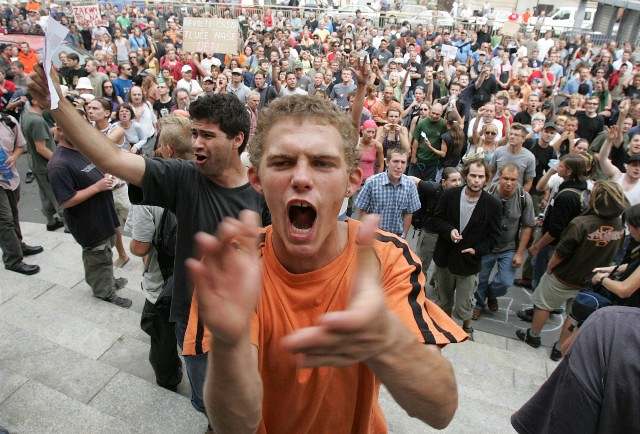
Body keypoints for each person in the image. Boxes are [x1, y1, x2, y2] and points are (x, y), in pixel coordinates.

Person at [187, 92, 468, 434]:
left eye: (322, 163)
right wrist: (230, 342)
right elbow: (235, 425)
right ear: (256, 179)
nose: (301, 178)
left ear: (352, 181)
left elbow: (440, 411)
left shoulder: (385, 259)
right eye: (282, 162)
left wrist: (385, 338)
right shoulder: (233, 267)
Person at [28, 65, 268, 417]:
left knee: (245, 403)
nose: (197, 143)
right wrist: (58, 105)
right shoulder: (185, 178)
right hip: (194, 320)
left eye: (208, 136)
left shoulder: (263, 193)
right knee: (207, 403)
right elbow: (111, 157)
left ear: (237, 140)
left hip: (249, 322)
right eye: (195, 134)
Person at [516, 181, 627, 360]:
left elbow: (561, 252)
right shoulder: (619, 224)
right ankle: (560, 348)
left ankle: (533, 336)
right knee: (574, 315)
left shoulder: (581, 223)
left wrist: (550, 268)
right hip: (591, 279)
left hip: (563, 276)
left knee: (544, 304)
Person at [127, 115, 193, 392]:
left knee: (162, 338)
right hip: (201, 281)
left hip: (163, 285)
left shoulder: (150, 191)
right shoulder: (210, 175)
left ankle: (169, 378)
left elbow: (139, 247)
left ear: (167, 150)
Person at [512, 306, 640, 434]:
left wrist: (600, 284)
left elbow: (564, 419)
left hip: (601, 336)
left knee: (549, 306)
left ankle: (537, 338)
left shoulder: (610, 326)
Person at [47, 122, 132, 308]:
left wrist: (106, 178)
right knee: (97, 255)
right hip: (88, 223)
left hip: (103, 216)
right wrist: (97, 187)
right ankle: (104, 291)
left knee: (105, 252)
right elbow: (66, 200)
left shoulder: (79, 150)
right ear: (59, 131)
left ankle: (107, 279)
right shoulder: (58, 164)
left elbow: (93, 172)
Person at [431, 159, 502, 336]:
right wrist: (450, 230)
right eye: (473, 175)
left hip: (469, 262)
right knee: (443, 299)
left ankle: (466, 327)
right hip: (445, 256)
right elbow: (436, 220)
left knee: (465, 302)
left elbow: (494, 237)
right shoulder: (450, 195)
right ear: (465, 176)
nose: (476, 180)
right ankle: (443, 327)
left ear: (486, 179)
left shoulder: (493, 204)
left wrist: (477, 250)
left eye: (481, 176)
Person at [473, 164, 535, 320]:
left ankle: (491, 294)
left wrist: (520, 253)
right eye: (506, 178)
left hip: (509, 247)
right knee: (480, 279)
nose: (509, 183)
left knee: (505, 282)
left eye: (513, 179)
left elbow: (528, 226)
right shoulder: (487, 192)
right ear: (499, 177)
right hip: (487, 245)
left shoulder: (524, 197)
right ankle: (478, 304)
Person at [0, 112, 42, 275]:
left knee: (13, 214)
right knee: (5, 220)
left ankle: (18, 245)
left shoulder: (8, 121)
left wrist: (13, 157)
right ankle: (12, 259)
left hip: (10, 177)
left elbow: (21, 145)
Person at [409, 167, 463, 279]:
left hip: (447, 234)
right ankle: (419, 288)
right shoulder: (433, 189)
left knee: (443, 264)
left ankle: (436, 281)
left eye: (459, 180)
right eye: (453, 180)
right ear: (444, 182)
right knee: (422, 263)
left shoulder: (461, 194)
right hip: (430, 233)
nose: (458, 183)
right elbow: (414, 179)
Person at [20, 95, 65, 231]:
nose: (47, 100)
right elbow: (41, 148)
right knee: (58, 195)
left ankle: (51, 221)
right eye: (44, 97)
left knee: (46, 194)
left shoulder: (27, 115)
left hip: (36, 165)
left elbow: (37, 135)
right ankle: (68, 223)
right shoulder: (37, 121)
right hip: (46, 166)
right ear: (34, 100)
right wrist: (59, 162)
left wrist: (54, 130)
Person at [355, 147, 420, 237]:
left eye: (403, 162)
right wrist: (364, 232)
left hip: (396, 237)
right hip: (374, 235)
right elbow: (362, 209)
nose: (399, 166)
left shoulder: (410, 185)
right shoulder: (372, 182)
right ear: (387, 162)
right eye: (395, 161)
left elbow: (408, 213)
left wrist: (403, 236)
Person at [489, 123, 536, 191]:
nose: (512, 136)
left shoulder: (529, 157)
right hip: (496, 192)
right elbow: (491, 172)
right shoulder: (498, 151)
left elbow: (528, 182)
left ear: (523, 139)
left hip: (515, 195)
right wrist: (489, 189)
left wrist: (521, 197)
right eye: (511, 134)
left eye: (516, 135)